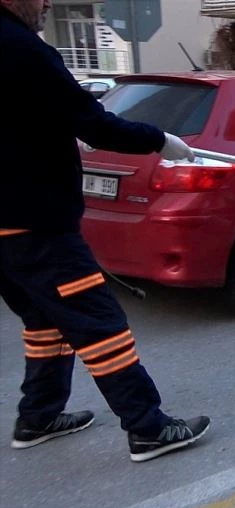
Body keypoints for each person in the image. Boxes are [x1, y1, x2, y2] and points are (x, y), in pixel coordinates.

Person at [0, 0, 210, 461]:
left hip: (7, 227)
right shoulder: (20, 47)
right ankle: (147, 427)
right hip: (36, 223)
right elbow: (92, 122)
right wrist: (158, 140)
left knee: (44, 321)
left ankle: (37, 416)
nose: (46, 3)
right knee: (100, 325)